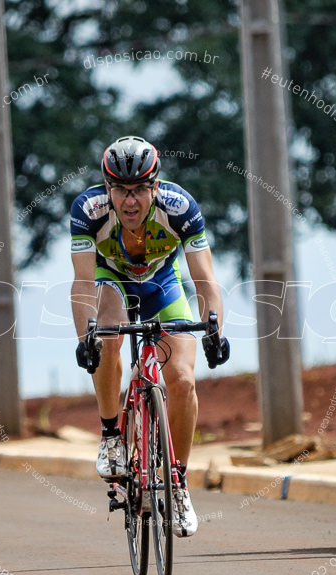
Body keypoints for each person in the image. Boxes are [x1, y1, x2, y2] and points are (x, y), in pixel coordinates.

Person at [69, 135, 230, 536]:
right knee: (107, 334)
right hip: (112, 280)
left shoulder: (179, 207)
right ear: (108, 188)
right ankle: (110, 436)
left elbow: (205, 280)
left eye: (140, 189)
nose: (130, 201)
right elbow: (83, 283)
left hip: (162, 284)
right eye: (121, 190)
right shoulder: (88, 210)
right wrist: (83, 337)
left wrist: (214, 330)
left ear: (155, 186)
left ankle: (177, 483)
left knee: (182, 379)